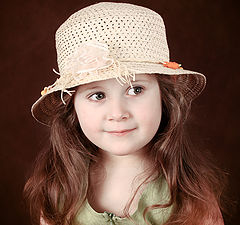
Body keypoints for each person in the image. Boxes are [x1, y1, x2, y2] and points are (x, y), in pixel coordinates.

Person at [23, 2, 225, 225]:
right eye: (98, 95)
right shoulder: (59, 191)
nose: (117, 113)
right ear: (72, 107)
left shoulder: (190, 195)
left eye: (135, 89)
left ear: (163, 95)